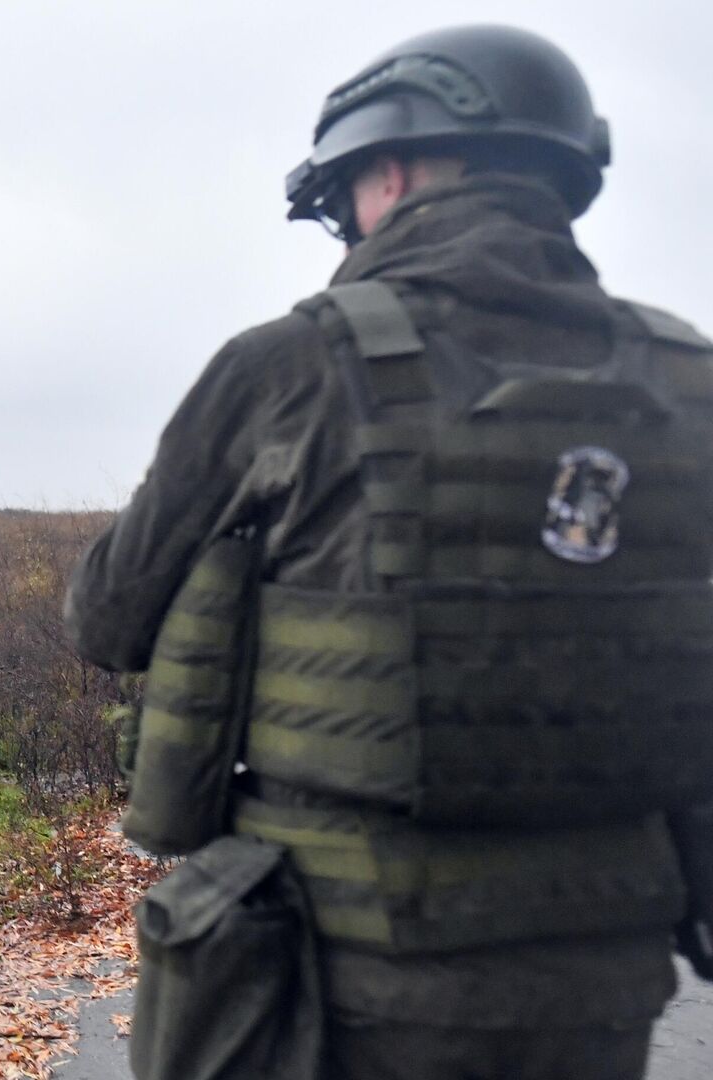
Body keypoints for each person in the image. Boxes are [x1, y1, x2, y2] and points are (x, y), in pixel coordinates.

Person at [65, 24, 713, 1080]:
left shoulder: (293, 364)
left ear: (392, 171)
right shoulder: (688, 379)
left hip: (354, 977)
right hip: (608, 976)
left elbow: (105, 619)